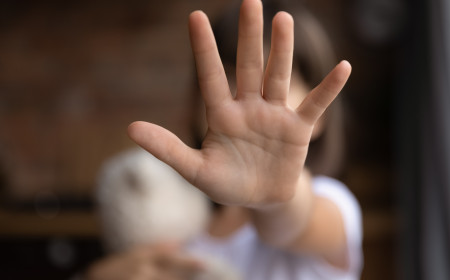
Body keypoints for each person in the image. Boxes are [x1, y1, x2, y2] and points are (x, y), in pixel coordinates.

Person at [85, 0, 363, 279]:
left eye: (273, 83)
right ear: (194, 102)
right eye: (229, 76)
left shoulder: (333, 203)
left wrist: (274, 198)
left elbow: (295, 222)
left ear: (320, 116)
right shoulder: (183, 222)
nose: (246, 100)